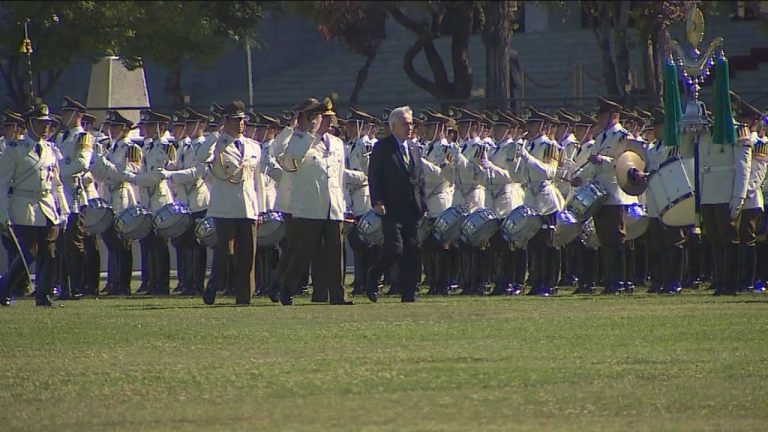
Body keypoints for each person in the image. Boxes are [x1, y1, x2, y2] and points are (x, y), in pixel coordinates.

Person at [269, 97, 351, 306]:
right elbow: (292, 159)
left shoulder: (337, 143)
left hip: (332, 205)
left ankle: (338, 295)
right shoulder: (299, 140)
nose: (329, 121)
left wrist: (343, 203)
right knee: (303, 251)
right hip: (309, 207)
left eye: (330, 118)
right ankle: (287, 288)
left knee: (335, 252)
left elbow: (339, 176)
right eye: (323, 117)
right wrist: (309, 133)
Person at [0, 104, 70, 307]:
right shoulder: (14, 150)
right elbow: (3, 183)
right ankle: (4, 288)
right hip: (24, 205)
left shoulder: (51, 150)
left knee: (49, 251)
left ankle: (44, 295)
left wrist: (63, 207)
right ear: (30, 123)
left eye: (47, 124)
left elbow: (56, 183)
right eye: (40, 123)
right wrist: (3, 212)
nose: (45, 127)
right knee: (29, 251)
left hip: (46, 205)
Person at [203, 101, 264, 305]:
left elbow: (258, 181)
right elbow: (202, 157)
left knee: (248, 253)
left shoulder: (253, 146)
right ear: (226, 121)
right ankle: (214, 284)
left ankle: (244, 296)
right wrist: (215, 134)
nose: (240, 124)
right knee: (224, 251)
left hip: (248, 206)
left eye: (242, 120)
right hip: (225, 207)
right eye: (236, 120)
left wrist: (261, 209)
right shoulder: (217, 144)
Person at [366, 106, 428, 303]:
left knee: (413, 249)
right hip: (391, 208)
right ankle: (373, 276)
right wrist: (377, 201)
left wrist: (423, 203)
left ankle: (409, 293)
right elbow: (374, 176)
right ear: (393, 126)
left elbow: (419, 178)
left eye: (411, 124)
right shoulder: (382, 148)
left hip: (412, 208)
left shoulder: (414, 148)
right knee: (395, 248)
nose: (410, 127)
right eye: (405, 124)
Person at [90, 110, 143, 295]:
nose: (111, 130)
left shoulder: (131, 149)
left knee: (122, 242)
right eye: (110, 127)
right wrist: (97, 162)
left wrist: (106, 165)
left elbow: (128, 173)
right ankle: (113, 280)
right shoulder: (110, 147)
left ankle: (122, 283)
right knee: (110, 240)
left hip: (123, 195)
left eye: (115, 127)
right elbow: (99, 175)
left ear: (125, 129)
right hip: (108, 194)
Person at [54, 97, 97, 300]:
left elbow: (81, 163)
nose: (63, 117)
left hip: (74, 197)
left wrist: (56, 172)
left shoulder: (83, 137)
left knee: (74, 243)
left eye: (67, 113)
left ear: (77, 115)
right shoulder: (60, 137)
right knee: (61, 244)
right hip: (59, 196)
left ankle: (77, 285)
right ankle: (64, 285)